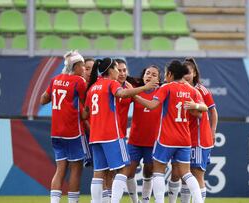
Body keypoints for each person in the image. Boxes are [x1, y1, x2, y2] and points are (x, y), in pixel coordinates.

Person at [84, 58, 158, 203]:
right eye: (117, 69)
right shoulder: (112, 83)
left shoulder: (93, 87)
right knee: (125, 169)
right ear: (110, 70)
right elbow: (122, 94)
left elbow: (85, 114)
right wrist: (145, 87)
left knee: (98, 173)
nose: (119, 72)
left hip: (95, 136)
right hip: (111, 134)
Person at [133, 60, 207, 203]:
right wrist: (195, 105)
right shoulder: (191, 90)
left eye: (166, 73)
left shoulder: (167, 88)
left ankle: (159, 201)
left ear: (171, 74)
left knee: (158, 171)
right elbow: (203, 109)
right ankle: (198, 201)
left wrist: (136, 96)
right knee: (186, 173)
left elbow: (152, 105)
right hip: (184, 139)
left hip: (166, 138)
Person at [40, 50, 90, 203]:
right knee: (76, 168)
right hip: (73, 131)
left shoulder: (55, 79)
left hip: (56, 132)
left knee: (60, 168)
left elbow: (43, 100)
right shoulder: (79, 81)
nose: (83, 69)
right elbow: (85, 110)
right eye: (82, 66)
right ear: (75, 66)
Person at [169, 58, 219, 203]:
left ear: (195, 73)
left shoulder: (201, 90)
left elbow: (212, 111)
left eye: (189, 72)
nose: (186, 75)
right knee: (181, 174)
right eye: (183, 72)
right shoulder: (177, 88)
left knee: (196, 174)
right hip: (182, 138)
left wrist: (213, 131)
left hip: (198, 139)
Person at [126, 65, 162, 203]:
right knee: (128, 173)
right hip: (135, 140)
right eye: (147, 73)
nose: (150, 76)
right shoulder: (136, 91)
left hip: (152, 142)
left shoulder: (162, 92)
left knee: (148, 172)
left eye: (154, 74)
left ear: (159, 79)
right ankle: (135, 201)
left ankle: (145, 200)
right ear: (143, 76)